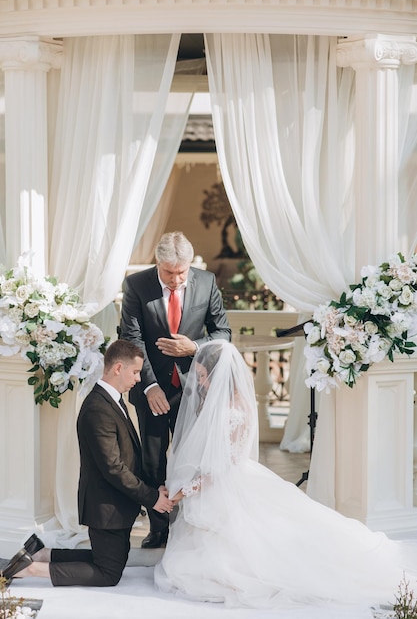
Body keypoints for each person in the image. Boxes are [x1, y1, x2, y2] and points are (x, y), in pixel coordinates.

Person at [154, 340, 417, 610]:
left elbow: (220, 467)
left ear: (219, 374)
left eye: (202, 376)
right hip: (226, 478)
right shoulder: (225, 403)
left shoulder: (233, 410)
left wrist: (183, 492)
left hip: (226, 482)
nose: (200, 383)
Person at [2, 340, 174, 587]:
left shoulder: (113, 400)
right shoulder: (97, 407)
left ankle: (42, 553)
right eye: (135, 372)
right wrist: (151, 497)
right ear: (117, 368)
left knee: (109, 560)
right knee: (108, 574)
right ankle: (31, 569)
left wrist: (152, 490)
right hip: (106, 506)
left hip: (117, 505)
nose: (138, 379)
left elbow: (127, 458)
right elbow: (113, 468)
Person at [120, 231, 231, 549]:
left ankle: (192, 526)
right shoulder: (137, 285)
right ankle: (159, 528)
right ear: (158, 264)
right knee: (153, 462)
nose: (175, 279)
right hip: (152, 387)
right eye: (169, 272)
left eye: (181, 272)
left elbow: (223, 332)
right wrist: (150, 385)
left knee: (192, 459)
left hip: (194, 389)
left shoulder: (206, 282)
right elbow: (132, 340)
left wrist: (193, 346)